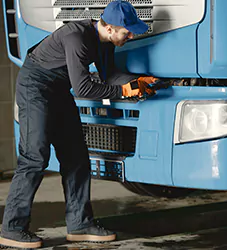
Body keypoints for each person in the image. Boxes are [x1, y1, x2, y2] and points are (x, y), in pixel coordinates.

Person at [0, 0, 157, 248]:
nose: (130, 35)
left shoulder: (104, 42)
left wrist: (140, 81)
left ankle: (80, 224)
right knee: (35, 156)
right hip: (35, 87)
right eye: (127, 31)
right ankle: (12, 228)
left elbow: (110, 76)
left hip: (58, 89)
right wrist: (124, 92)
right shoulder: (77, 37)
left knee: (76, 157)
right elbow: (83, 87)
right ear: (111, 28)